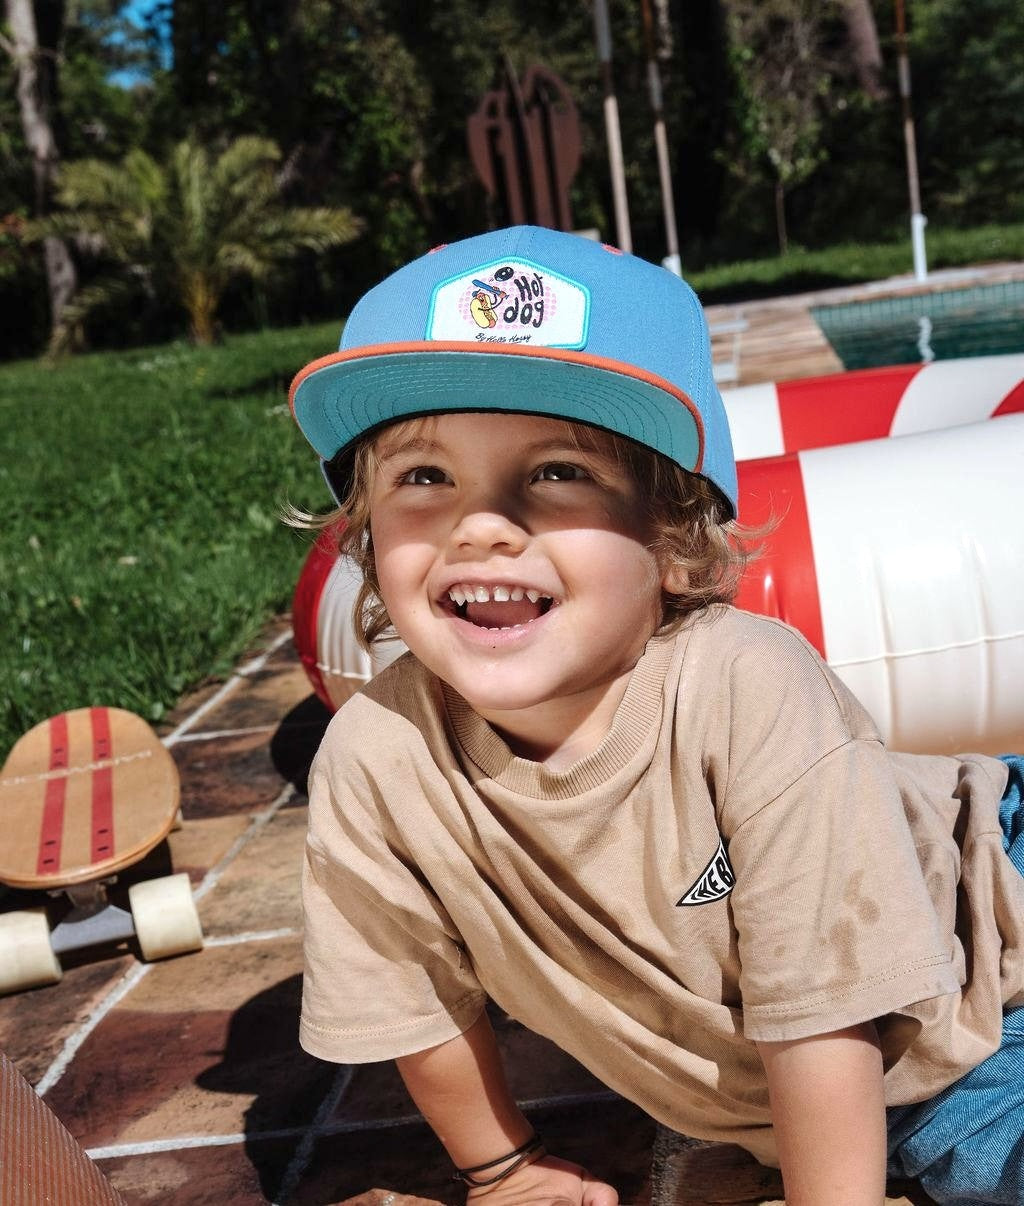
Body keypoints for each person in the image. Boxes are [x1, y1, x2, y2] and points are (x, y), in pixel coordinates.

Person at [289, 225, 1024, 1205]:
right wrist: (502, 1170)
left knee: (984, 1155)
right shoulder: (377, 760)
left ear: (673, 540)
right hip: (886, 1058)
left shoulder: (746, 688)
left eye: (557, 472)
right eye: (423, 477)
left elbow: (825, 1020)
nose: (480, 525)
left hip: (975, 949)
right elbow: (410, 993)